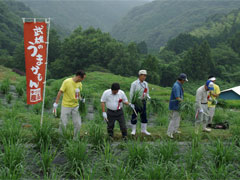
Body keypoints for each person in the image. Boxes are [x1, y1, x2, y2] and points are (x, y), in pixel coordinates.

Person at [53, 70, 86, 138]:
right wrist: (56, 103)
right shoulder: (67, 81)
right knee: (63, 123)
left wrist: (81, 99)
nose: (83, 80)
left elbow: (78, 94)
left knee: (78, 124)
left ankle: (75, 138)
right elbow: (60, 92)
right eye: (83, 78)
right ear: (79, 77)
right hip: (66, 105)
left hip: (76, 105)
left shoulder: (80, 84)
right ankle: (61, 138)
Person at [130, 70, 151, 136]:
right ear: (140, 75)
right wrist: (131, 103)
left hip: (143, 101)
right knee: (134, 115)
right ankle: (133, 130)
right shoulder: (134, 83)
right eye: (143, 76)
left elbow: (146, 92)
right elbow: (131, 93)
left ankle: (144, 130)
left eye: (145, 76)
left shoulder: (146, 83)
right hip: (136, 101)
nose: (144, 77)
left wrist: (148, 97)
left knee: (144, 115)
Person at [167, 73, 188, 139]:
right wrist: (184, 102)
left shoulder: (179, 85)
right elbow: (177, 97)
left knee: (177, 118)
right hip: (175, 105)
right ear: (181, 80)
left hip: (178, 105)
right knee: (173, 118)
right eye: (184, 80)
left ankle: (175, 130)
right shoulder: (176, 86)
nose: (184, 82)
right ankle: (169, 132)